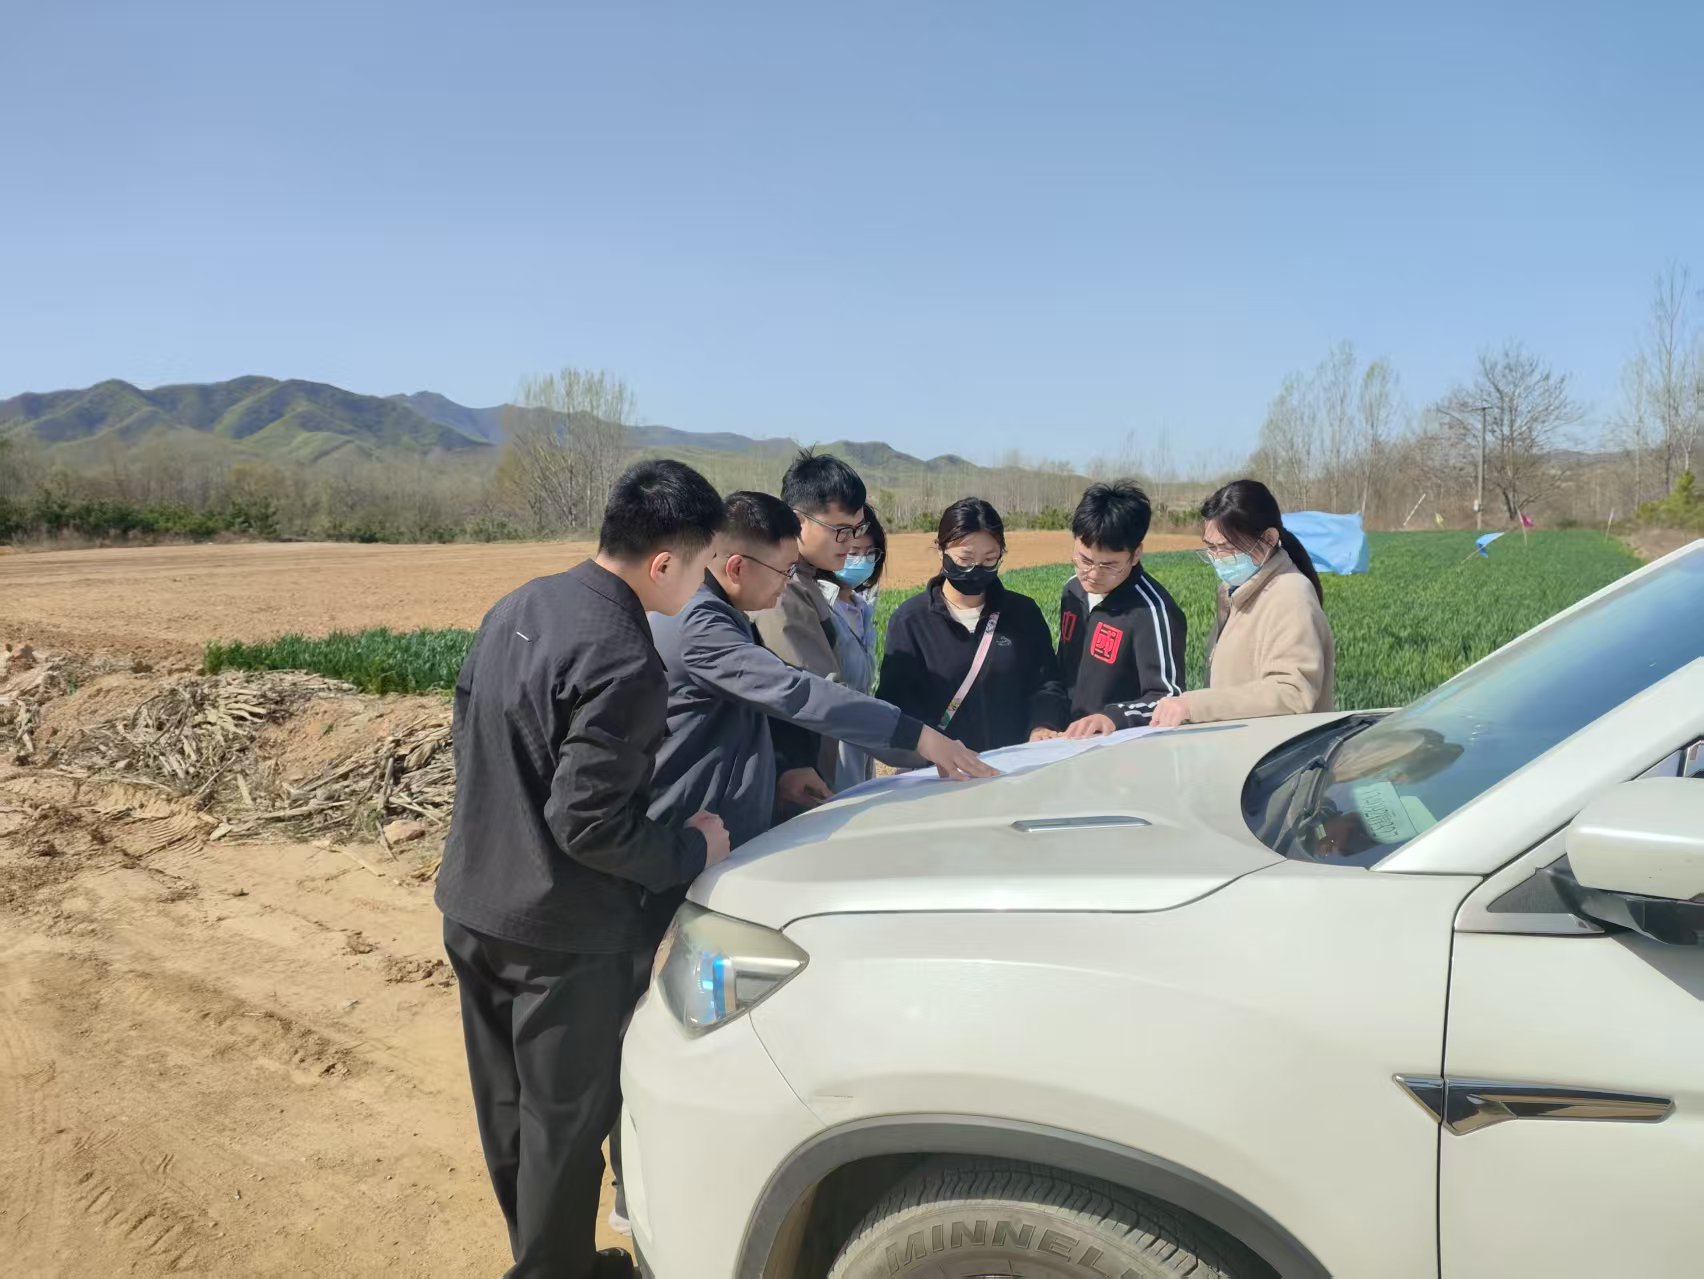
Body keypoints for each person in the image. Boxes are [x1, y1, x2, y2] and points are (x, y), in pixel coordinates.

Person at [435, 459, 732, 1279]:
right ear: (664, 562)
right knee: (564, 1126)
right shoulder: (625, 655)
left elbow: (468, 731)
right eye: (704, 564)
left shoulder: (520, 603)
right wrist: (693, 848)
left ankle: (548, 1257)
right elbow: (589, 821)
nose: (704, 583)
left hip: (475, 902)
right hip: (558, 937)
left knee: (508, 1110)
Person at [650, 491, 993, 850]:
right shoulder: (699, 624)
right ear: (737, 568)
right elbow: (794, 691)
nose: (787, 583)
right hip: (687, 838)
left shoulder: (718, 611)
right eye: (784, 571)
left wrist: (786, 767)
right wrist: (917, 737)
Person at [877, 497, 1069, 751]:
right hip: (942, 767)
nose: (976, 569)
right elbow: (897, 704)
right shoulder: (911, 620)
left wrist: (1043, 724)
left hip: (1014, 761)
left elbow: (1047, 683)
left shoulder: (1022, 613)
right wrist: (929, 750)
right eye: (965, 559)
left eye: (989, 559)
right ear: (941, 550)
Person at [1150, 478, 1334, 727]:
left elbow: (1293, 693)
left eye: (1228, 548)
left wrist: (1196, 705)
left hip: (1276, 748)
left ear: (1269, 538)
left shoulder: (1291, 595)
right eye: (1211, 548)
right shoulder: (1236, 591)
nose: (1218, 558)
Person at [747, 450, 870, 799]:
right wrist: (914, 739)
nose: (852, 542)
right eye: (841, 531)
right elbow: (815, 694)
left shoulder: (806, 581)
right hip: (797, 779)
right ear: (798, 521)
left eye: (857, 529)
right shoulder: (783, 590)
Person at [1051, 480, 1188, 740]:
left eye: (1109, 565)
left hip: (1118, 746)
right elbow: (1062, 672)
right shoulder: (1073, 591)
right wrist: (1046, 720)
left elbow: (1168, 698)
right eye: (1084, 560)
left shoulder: (1151, 611)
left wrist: (1112, 718)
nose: (1093, 574)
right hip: (1068, 740)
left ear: (1136, 555)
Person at [817, 504, 886, 789]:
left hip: (861, 742)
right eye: (853, 552)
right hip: (829, 749)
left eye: (870, 553)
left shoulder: (862, 607)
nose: (861, 561)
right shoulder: (818, 605)